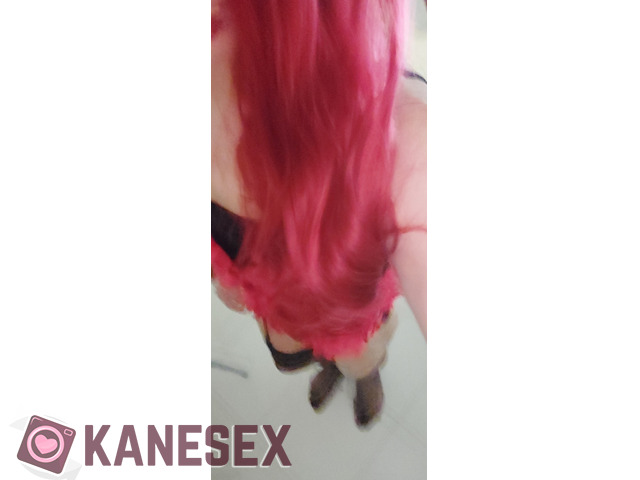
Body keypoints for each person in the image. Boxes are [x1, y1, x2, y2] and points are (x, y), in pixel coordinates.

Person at [211, 0, 427, 428]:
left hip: (349, 306)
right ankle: (334, 365)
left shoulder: (399, 130)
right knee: (287, 355)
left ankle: (365, 376)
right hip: (269, 291)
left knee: (358, 357)